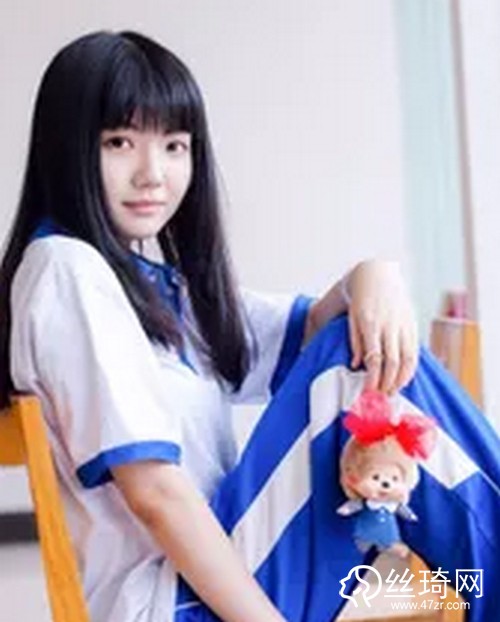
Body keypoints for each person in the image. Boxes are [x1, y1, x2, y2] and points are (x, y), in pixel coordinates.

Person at [0, 31, 498, 622]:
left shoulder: (149, 289)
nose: (152, 173)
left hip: (202, 585)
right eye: (119, 143)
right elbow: (155, 493)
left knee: (360, 344)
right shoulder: (67, 270)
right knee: (357, 363)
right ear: (66, 149)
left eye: (175, 146)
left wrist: (376, 275)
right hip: (175, 604)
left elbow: (313, 330)